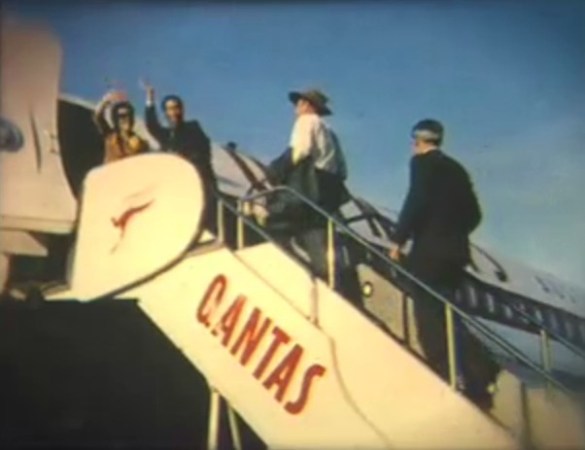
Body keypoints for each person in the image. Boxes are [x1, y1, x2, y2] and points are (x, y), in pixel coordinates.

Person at [389, 119, 500, 410]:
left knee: (429, 318)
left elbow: (416, 200)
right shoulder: (457, 168)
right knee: (448, 314)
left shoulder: (423, 164)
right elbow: (475, 214)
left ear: (419, 140)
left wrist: (398, 239)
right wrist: (454, 232)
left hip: (429, 251)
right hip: (455, 253)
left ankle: (442, 375)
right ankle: (480, 373)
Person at [263, 88, 350, 285]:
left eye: (299, 103)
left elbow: (300, 151)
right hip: (328, 192)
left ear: (308, 105)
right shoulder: (330, 132)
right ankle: (327, 280)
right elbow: (343, 170)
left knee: (275, 226)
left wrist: (275, 170)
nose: (296, 107)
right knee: (318, 236)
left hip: (306, 188)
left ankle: (290, 274)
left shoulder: (306, 121)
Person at [143, 85, 217, 233]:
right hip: (178, 186)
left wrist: (185, 158)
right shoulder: (166, 135)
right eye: (169, 109)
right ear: (165, 112)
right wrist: (150, 100)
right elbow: (152, 126)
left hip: (198, 180)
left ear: (181, 109)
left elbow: (204, 150)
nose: (173, 112)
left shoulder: (193, 127)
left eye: (176, 108)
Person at [93, 91, 149, 164]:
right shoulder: (110, 135)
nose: (125, 119)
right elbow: (98, 116)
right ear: (116, 119)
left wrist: (138, 148)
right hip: (112, 173)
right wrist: (105, 101)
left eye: (128, 115)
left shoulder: (141, 142)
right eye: (121, 116)